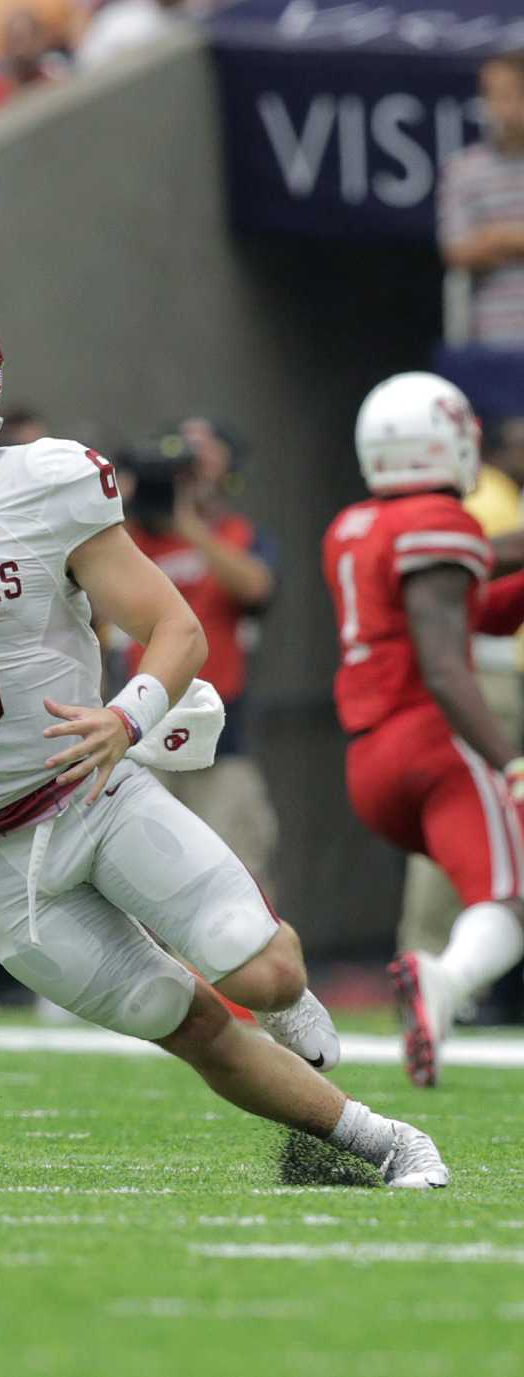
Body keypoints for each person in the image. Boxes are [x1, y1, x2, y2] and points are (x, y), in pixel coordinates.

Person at [0, 297, 448, 1188]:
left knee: (262, 969)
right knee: (183, 1020)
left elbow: (176, 627)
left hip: (87, 789)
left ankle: (294, 1006)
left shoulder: (45, 484)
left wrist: (127, 717)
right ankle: (385, 1142)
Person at [324, 373, 524, 1089]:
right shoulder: (437, 518)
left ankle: (439, 992)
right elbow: (445, 664)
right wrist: (510, 762)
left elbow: (477, 608)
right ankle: (445, 981)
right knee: (510, 896)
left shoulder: (354, 527)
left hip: (370, 763)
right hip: (432, 744)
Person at [117, 424, 280, 891]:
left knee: (238, 868)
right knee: (155, 877)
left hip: (221, 734)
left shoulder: (234, 534)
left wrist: (187, 523)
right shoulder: (125, 542)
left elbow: (257, 587)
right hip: (145, 728)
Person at [397, 413, 524, 1000]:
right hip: (480, 678)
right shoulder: (484, 500)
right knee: (464, 823)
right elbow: (479, 578)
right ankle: (433, 964)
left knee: (478, 829)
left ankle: (444, 970)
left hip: (485, 674)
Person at [438, 49, 524, 347]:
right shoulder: (463, 169)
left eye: (507, 95)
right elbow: (458, 252)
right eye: (489, 95)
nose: (495, 108)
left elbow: (481, 244)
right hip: (493, 342)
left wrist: (496, 236)